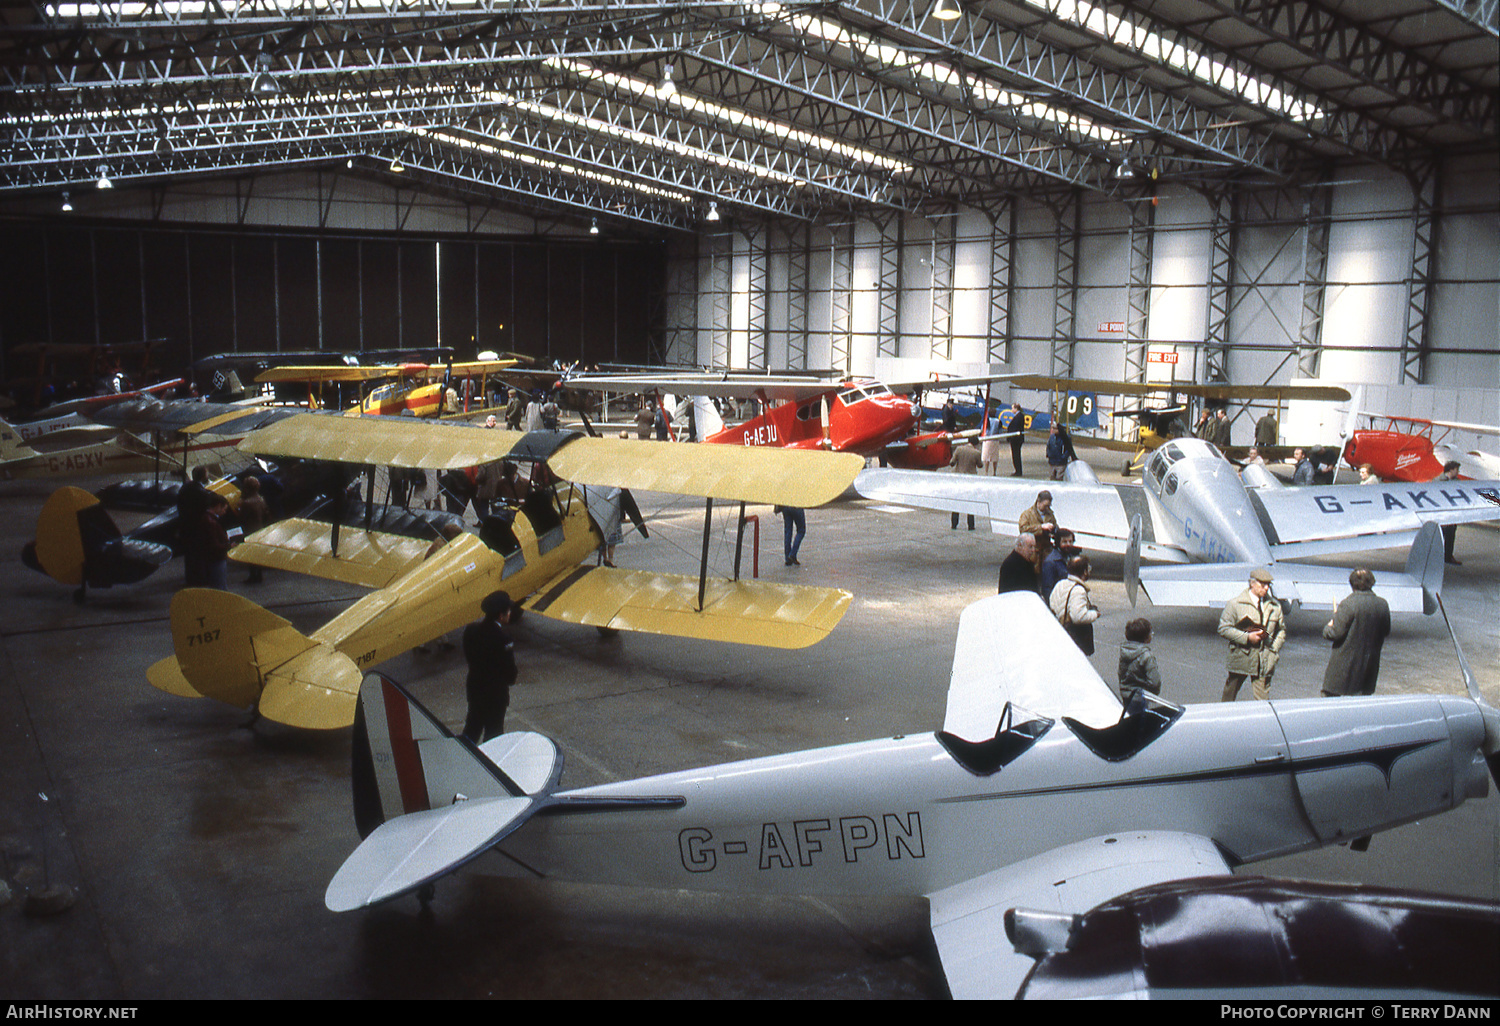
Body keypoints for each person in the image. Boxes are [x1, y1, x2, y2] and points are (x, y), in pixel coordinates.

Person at [1217, 568, 1286, 702]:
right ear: (1252, 584)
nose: (1266, 588)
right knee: (1229, 695)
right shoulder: (1236, 604)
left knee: (1263, 702)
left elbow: (1281, 630)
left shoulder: (1274, 606)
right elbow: (1223, 628)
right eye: (1262, 584)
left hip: (1264, 660)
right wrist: (1247, 637)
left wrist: (1274, 650)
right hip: (1241, 657)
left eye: (1268, 585)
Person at [1321, 569, 1391, 697]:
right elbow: (1386, 631)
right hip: (1368, 668)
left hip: (1343, 671)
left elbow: (1335, 633)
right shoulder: (1382, 604)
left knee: (1330, 704)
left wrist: (1328, 627)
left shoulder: (1348, 604)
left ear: (1352, 584)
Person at [461, 590, 518, 743]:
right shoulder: (503, 640)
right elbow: (511, 675)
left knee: (471, 731)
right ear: (501, 615)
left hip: (475, 690)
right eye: (508, 611)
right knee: (493, 736)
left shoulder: (471, 631)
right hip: (495, 696)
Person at [1048, 554, 1099, 655]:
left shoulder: (1060, 584)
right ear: (1084, 572)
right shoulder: (1079, 590)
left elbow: (1052, 604)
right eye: (1088, 569)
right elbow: (1078, 617)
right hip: (1073, 638)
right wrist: (1095, 614)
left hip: (1059, 632)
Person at [184, 494, 231, 590]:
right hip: (217, 559)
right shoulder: (211, 522)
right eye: (224, 509)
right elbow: (214, 545)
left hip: (210, 559)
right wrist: (229, 545)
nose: (224, 512)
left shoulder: (206, 518)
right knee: (220, 587)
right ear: (218, 506)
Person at [1117, 618, 1162, 705]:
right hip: (1141, 697)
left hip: (1126, 695)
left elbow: (1121, 673)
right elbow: (1154, 682)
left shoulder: (1124, 652)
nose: (1152, 634)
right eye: (1150, 632)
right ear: (1145, 637)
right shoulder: (1147, 656)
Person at [237, 476, 269, 584]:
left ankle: (253, 575)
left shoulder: (246, 503)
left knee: (250, 554)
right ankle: (258, 574)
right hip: (259, 527)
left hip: (250, 529)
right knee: (257, 553)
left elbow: (242, 517)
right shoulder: (261, 499)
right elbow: (266, 514)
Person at [1018, 490, 1058, 569]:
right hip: (1033, 553)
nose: (1047, 508)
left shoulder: (1050, 514)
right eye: (1045, 505)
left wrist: (1054, 531)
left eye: (1049, 506)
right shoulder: (1027, 515)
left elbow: (1055, 526)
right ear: (1038, 502)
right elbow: (1023, 530)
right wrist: (1041, 527)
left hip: (1046, 552)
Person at [1037, 526, 1080, 599]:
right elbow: (1047, 590)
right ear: (1057, 543)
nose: (1068, 544)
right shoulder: (1050, 562)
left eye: (1070, 541)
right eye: (1065, 542)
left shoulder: (1070, 558)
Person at [949, 438, 981, 529]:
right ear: (976, 444)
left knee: (956, 502)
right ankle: (971, 525)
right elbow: (980, 465)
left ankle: (954, 524)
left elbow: (952, 462)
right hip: (970, 481)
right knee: (970, 502)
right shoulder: (976, 453)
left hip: (959, 480)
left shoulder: (959, 449)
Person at [1437, 461, 1462, 564]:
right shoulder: (1438, 481)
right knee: (1440, 535)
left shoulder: (1458, 481)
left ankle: (1448, 556)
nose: (1458, 471)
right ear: (1451, 470)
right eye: (1456, 469)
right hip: (1442, 513)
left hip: (1452, 513)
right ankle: (1437, 556)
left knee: (1451, 534)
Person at [1006, 403, 1025, 476]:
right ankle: (1018, 470)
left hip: (1016, 440)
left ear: (1016, 409)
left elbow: (1015, 427)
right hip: (1016, 439)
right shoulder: (1019, 416)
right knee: (1016, 455)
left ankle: (1018, 471)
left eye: (1012, 408)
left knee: (1016, 455)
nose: (1012, 410)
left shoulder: (1018, 417)